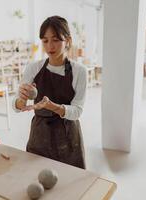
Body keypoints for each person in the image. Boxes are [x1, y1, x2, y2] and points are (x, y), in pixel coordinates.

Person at [13, 16, 87, 169]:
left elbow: (77, 111)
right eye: (45, 41)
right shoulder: (33, 68)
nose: (50, 46)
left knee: (69, 184)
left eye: (55, 40)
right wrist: (21, 100)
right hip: (40, 135)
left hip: (67, 136)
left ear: (68, 41)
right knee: (36, 178)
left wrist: (53, 106)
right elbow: (17, 106)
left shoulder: (79, 71)